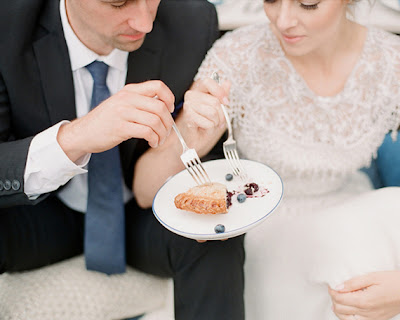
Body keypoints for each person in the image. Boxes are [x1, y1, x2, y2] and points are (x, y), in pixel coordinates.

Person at [136, 0, 400, 319]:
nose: (284, 20)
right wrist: (195, 137)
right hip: (264, 231)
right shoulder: (237, 55)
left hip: (350, 211)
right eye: (272, 0)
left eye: (308, 4)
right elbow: (144, 189)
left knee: (380, 218)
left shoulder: (390, 61)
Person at [0, 1, 246, 319]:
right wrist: (77, 137)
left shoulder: (191, 20)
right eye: (118, 2)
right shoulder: (7, 24)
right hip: (38, 214)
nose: (144, 22)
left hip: (142, 214)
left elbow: (202, 151)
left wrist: (197, 125)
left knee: (218, 231)